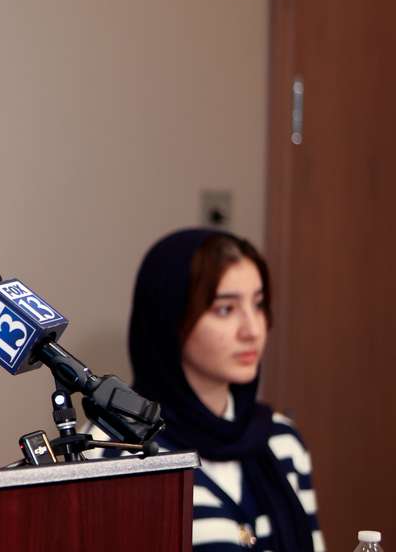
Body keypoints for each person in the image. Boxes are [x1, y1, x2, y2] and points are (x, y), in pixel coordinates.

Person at [95, 229, 323, 551]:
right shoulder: (111, 450)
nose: (252, 330)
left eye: (258, 305)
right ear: (170, 319)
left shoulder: (280, 440)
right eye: (225, 309)